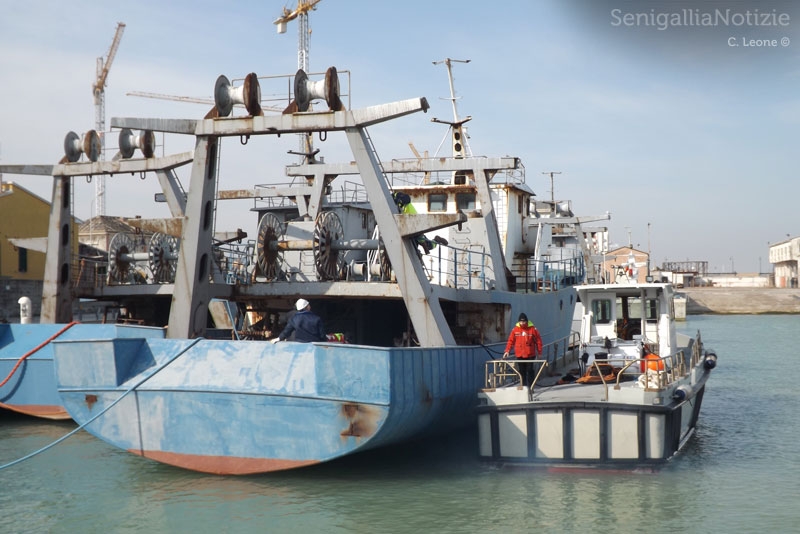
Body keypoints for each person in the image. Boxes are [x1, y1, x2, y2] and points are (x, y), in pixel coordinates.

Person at [503, 313, 543, 387]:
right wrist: (507, 351)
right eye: (521, 321)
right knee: (521, 371)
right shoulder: (515, 330)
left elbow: (538, 341)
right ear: (519, 322)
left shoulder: (532, 329)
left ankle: (531, 386)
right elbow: (510, 341)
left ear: (527, 321)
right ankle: (523, 385)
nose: (522, 323)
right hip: (520, 355)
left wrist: (539, 352)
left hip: (530, 354)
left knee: (530, 370)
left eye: (524, 321)